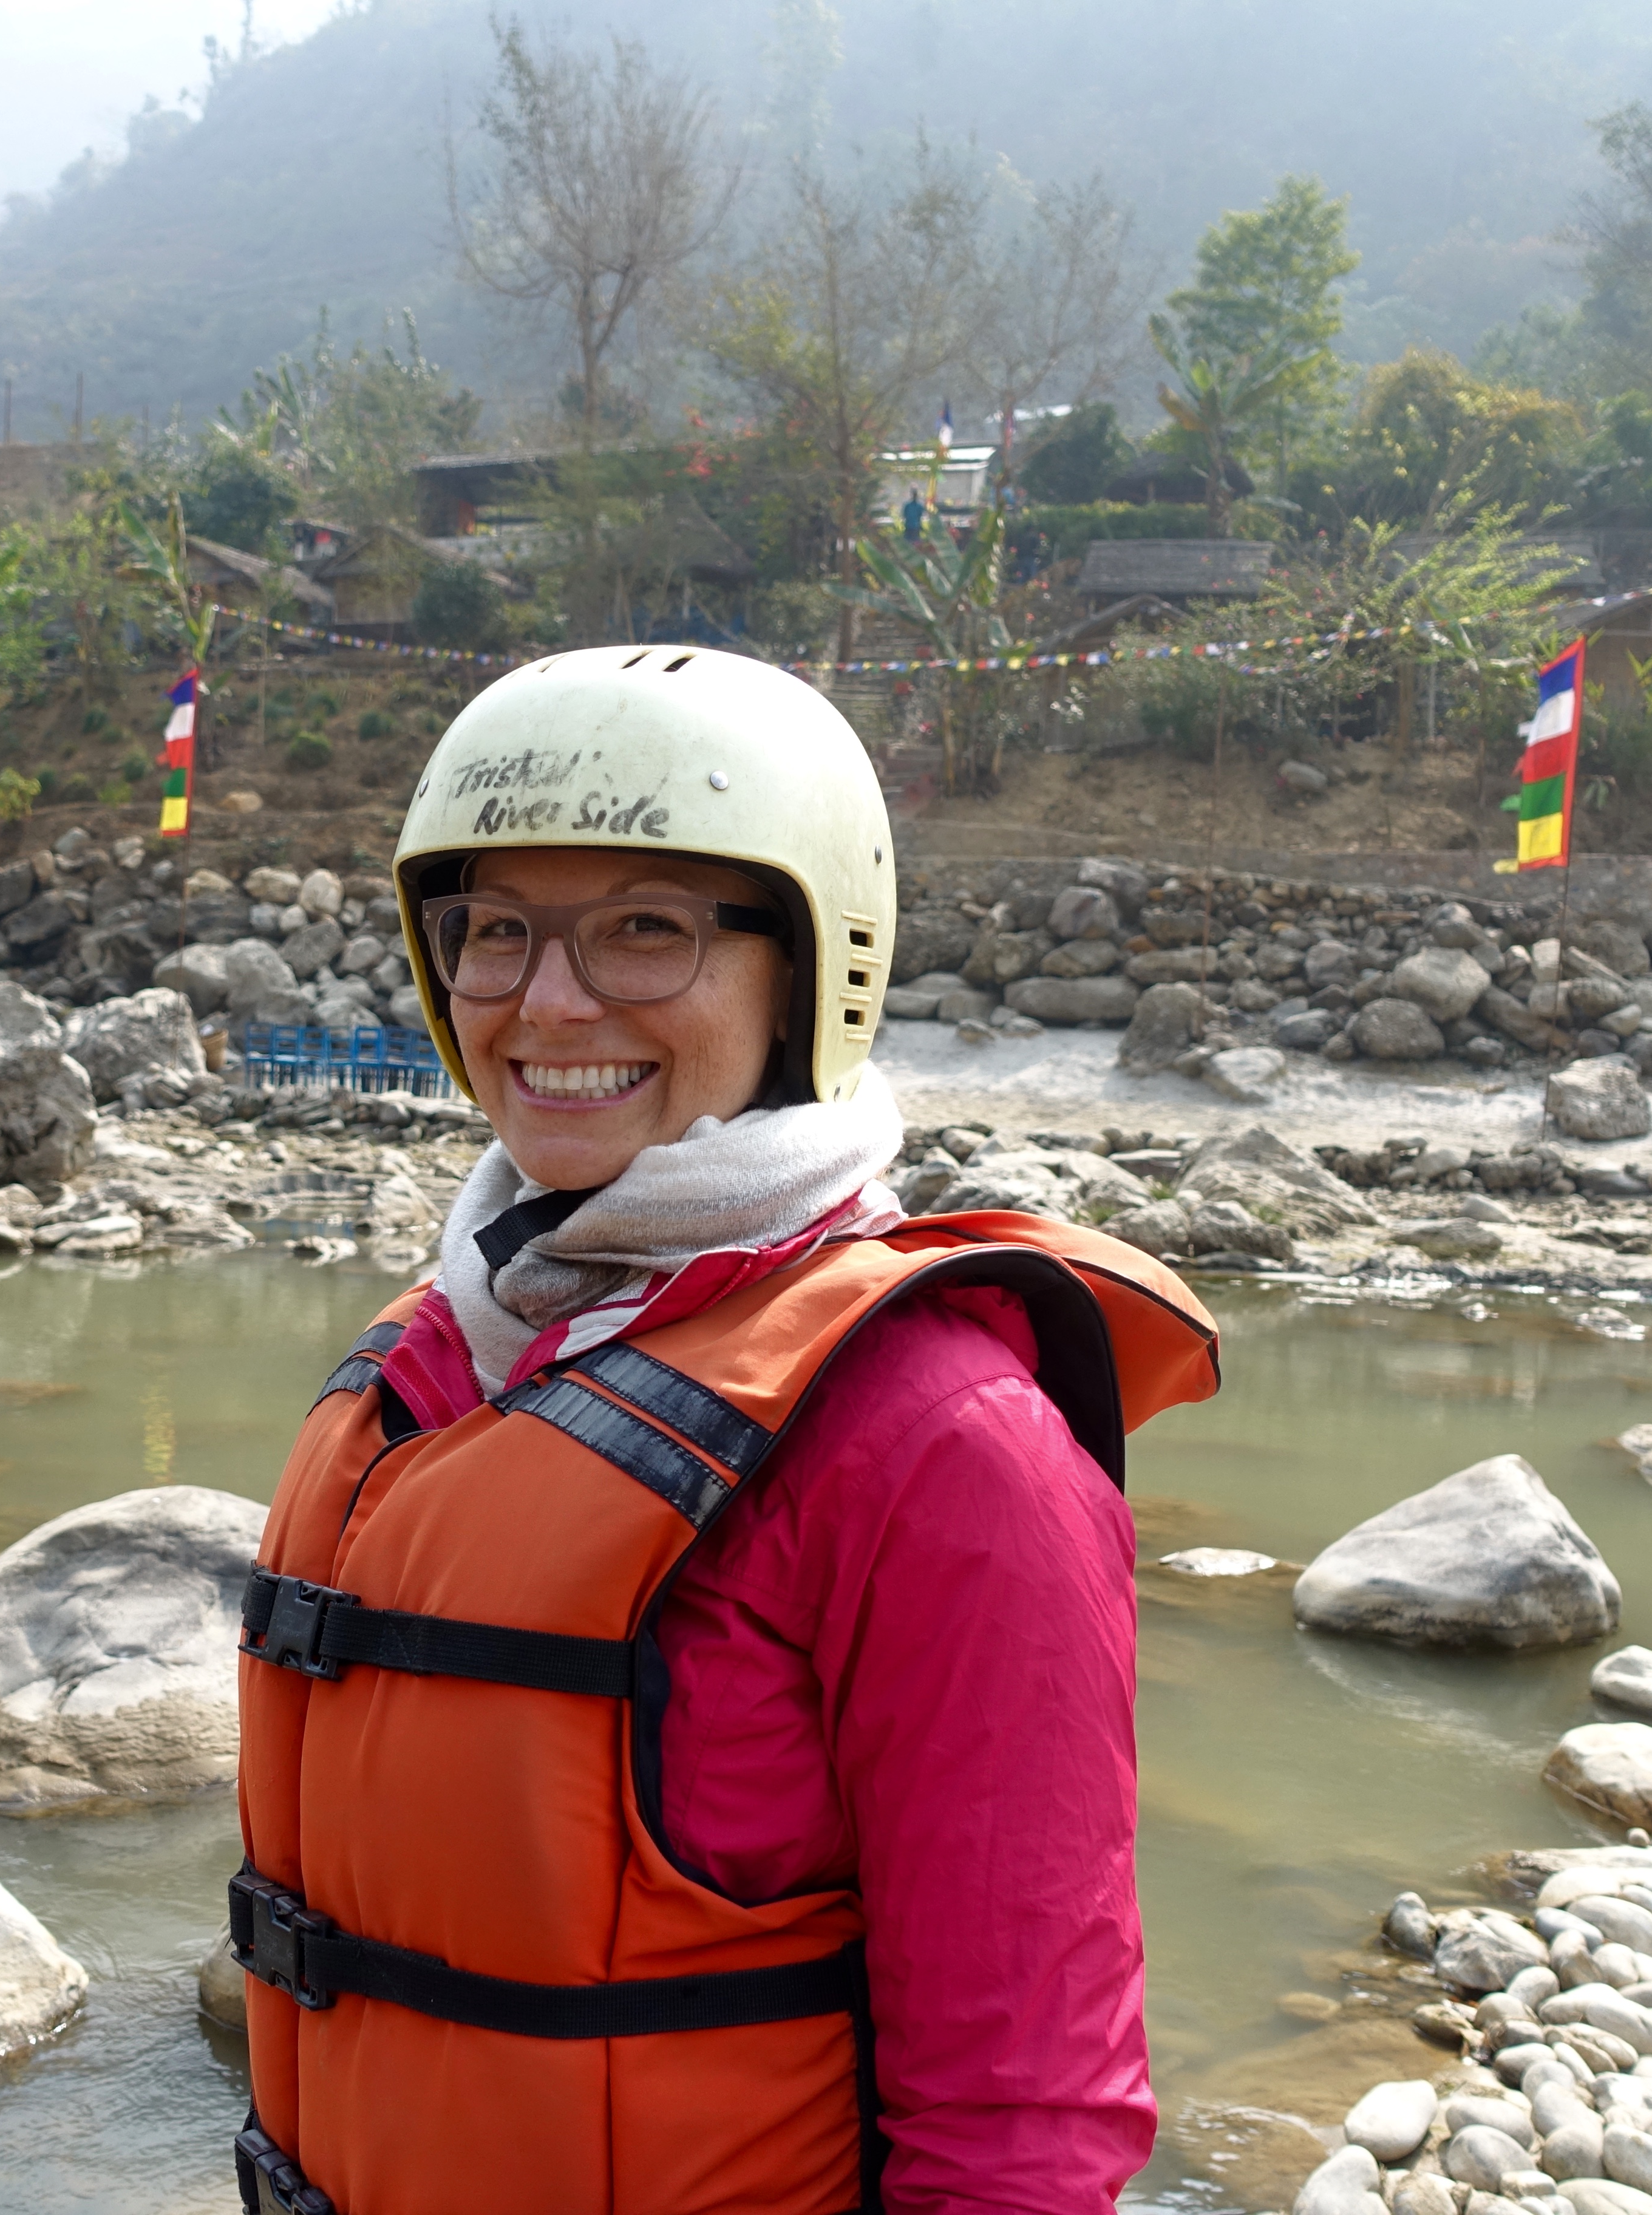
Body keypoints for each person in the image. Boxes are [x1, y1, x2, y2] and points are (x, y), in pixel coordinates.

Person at [229, 647, 1222, 2215]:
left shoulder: (946, 1446)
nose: (549, 1002)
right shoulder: (449, 1354)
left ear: (807, 971)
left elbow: (1021, 2132)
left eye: (647, 928)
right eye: (497, 931)